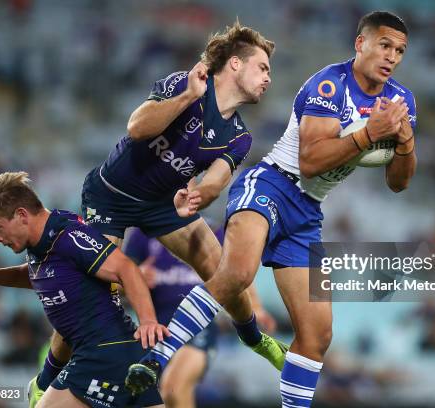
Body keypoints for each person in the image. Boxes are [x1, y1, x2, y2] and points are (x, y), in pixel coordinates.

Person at [126, 11, 417, 407]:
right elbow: (311, 160)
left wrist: (405, 144)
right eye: (384, 45)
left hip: (308, 213)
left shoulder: (401, 101)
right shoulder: (330, 85)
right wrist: (370, 134)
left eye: (399, 50)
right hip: (272, 184)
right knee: (237, 272)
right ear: (360, 43)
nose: (392, 56)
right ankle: (156, 358)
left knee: (317, 334)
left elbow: (399, 183)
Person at [28, 21, 286, 406]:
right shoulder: (185, 82)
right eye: (263, 67)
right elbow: (137, 127)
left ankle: (253, 337)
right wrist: (186, 98)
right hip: (110, 195)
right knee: (93, 294)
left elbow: (216, 180)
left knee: (224, 269)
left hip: (164, 204)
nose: (268, 77)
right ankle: (44, 381)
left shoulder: (240, 136)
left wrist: (197, 195)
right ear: (234, 64)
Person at [0, 172, 169, 408]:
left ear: (21, 215)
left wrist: (147, 321)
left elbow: (126, 268)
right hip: (113, 353)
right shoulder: (42, 244)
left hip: (101, 353)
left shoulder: (69, 237)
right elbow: (38, 274)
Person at [123, 226, 265, 407]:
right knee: (154, 398)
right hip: (155, 329)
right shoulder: (143, 234)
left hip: (198, 327)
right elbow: (118, 282)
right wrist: (136, 277)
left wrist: (257, 307)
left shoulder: (214, 232)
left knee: (174, 385)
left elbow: (237, 276)